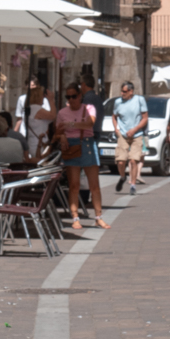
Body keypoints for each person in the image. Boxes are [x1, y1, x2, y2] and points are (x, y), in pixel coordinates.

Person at [55, 82, 109, 231]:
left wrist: (70, 125)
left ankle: (98, 217)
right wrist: (62, 136)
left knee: (94, 185)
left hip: (87, 144)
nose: (71, 100)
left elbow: (89, 124)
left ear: (80, 96)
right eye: (68, 97)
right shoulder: (62, 112)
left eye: (73, 96)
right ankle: (75, 217)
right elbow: (58, 131)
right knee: (74, 185)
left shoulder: (89, 108)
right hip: (71, 146)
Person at [111, 81, 149, 195]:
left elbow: (145, 118)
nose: (122, 93)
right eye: (121, 91)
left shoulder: (139, 100)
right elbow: (114, 116)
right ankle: (123, 177)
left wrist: (134, 129)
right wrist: (116, 128)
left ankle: (133, 185)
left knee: (133, 160)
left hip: (136, 135)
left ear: (131, 91)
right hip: (123, 135)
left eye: (124, 91)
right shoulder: (118, 102)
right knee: (120, 161)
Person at [16, 77, 53, 158]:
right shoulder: (22, 99)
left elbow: (47, 119)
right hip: (26, 133)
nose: (30, 87)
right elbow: (19, 117)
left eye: (33, 85)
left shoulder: (44, 101)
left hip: (36, 136)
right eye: (28, 85)